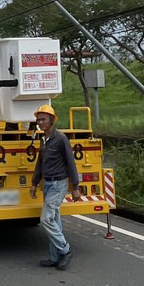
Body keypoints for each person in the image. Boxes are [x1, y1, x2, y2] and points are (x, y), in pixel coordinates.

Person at [29, 104, 82, 270]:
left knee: (45, 219)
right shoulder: (43, 139)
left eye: (44, 119)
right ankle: (54, 257)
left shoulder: (61, 139)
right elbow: (40, 162)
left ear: (52, 120)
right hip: (47, 184)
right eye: (38, 119)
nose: (40, 122)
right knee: (55, 221)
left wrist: (75, 187)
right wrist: (34, 183)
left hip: (59, 184)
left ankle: (66, 250)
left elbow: (70, 163)